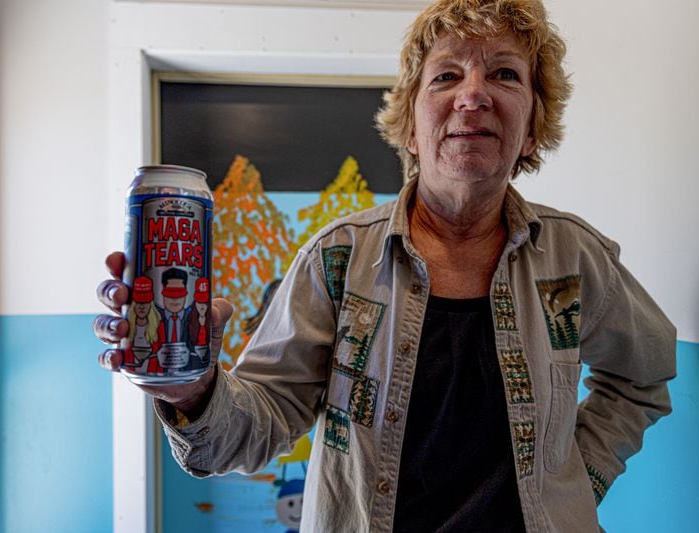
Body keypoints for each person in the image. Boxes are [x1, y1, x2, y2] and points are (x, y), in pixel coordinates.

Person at [93, 0, 677, 530]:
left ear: (531, 130)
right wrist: (194, 391)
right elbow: (253, 427)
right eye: (446, 75)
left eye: (504, 73)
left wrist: (575, 484)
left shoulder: (577, 258)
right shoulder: (337, 259)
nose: (473, 95)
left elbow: (642, 378)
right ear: (412, 130)